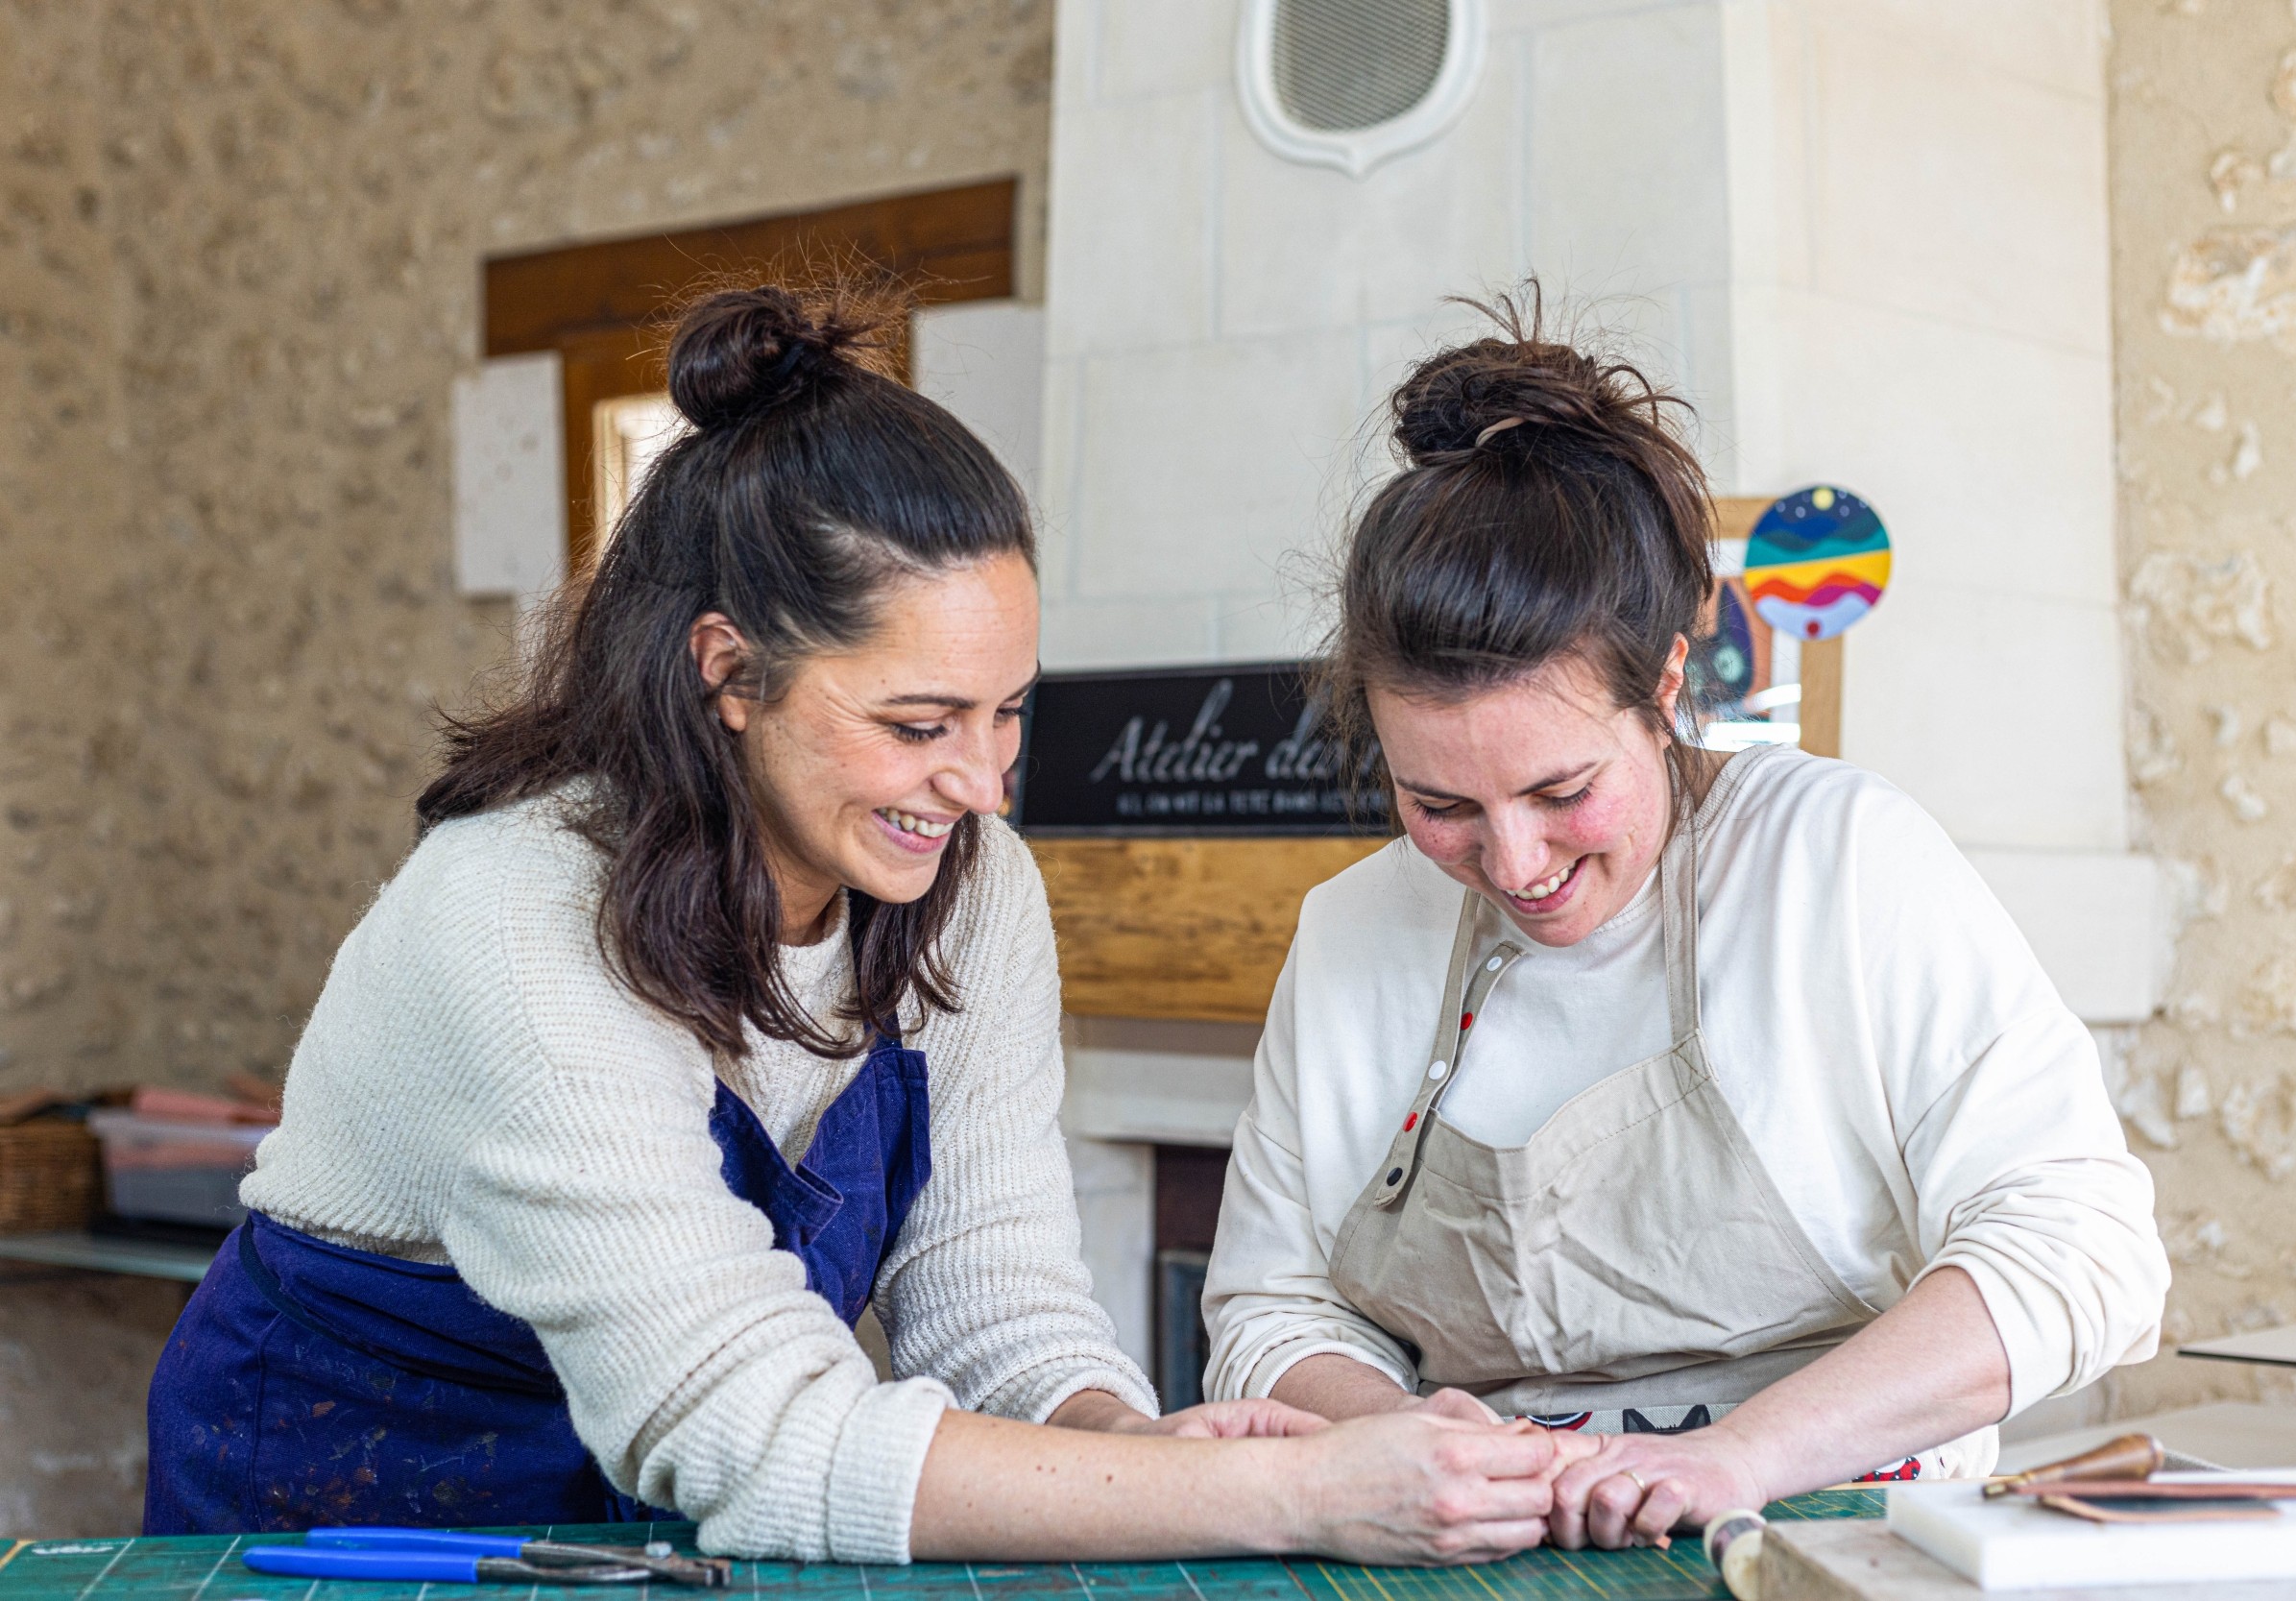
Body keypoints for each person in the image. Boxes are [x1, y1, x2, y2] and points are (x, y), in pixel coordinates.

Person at [144, 283, 1591, 1564]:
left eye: (1009, 710)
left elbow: (994, 1303)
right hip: (351, 1511)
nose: (982, 780)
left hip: (670, 1516)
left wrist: (1134, 1447)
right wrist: (1292, 1500)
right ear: (730, 670)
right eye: (917, 723)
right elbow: (748, 1430)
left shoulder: (969, 886)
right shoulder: (521, 923)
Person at [1200, 290, 2170, 1551]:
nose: (1514, 860)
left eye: (1562, 792)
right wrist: (1405, 1442)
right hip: (1487, 1548)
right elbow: (1268, 1308)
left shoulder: (1835, 864)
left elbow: (2081, 1247)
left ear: (1665, 686)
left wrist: (1739, 1456)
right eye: (1438, 801)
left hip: (1837, 1529)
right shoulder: (1348, 935)